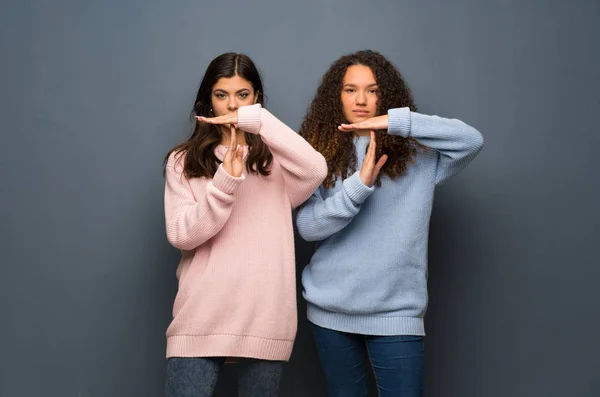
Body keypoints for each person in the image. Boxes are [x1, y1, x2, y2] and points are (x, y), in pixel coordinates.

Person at [296, 50, 484, 397]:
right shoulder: (318, 153)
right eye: (350, 89)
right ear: (335, 96)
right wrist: (359, 186)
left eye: (373, 90)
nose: (362, 100)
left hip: (396, 314)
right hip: (329, 313)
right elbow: (307, 227)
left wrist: (395, 123)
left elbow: (471, 141)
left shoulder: (417, 154)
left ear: (387, 95)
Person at [162, 52, 327, 397]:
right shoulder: (183, 161)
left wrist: (257, 122)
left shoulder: (277, 161)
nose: (232, 106)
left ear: (257, 101)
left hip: (264, 317)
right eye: (221, 95)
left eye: (243, 96)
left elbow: (316, 170)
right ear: (208, 100)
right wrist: (225, 181)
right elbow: (181, 235)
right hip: (201, 315)